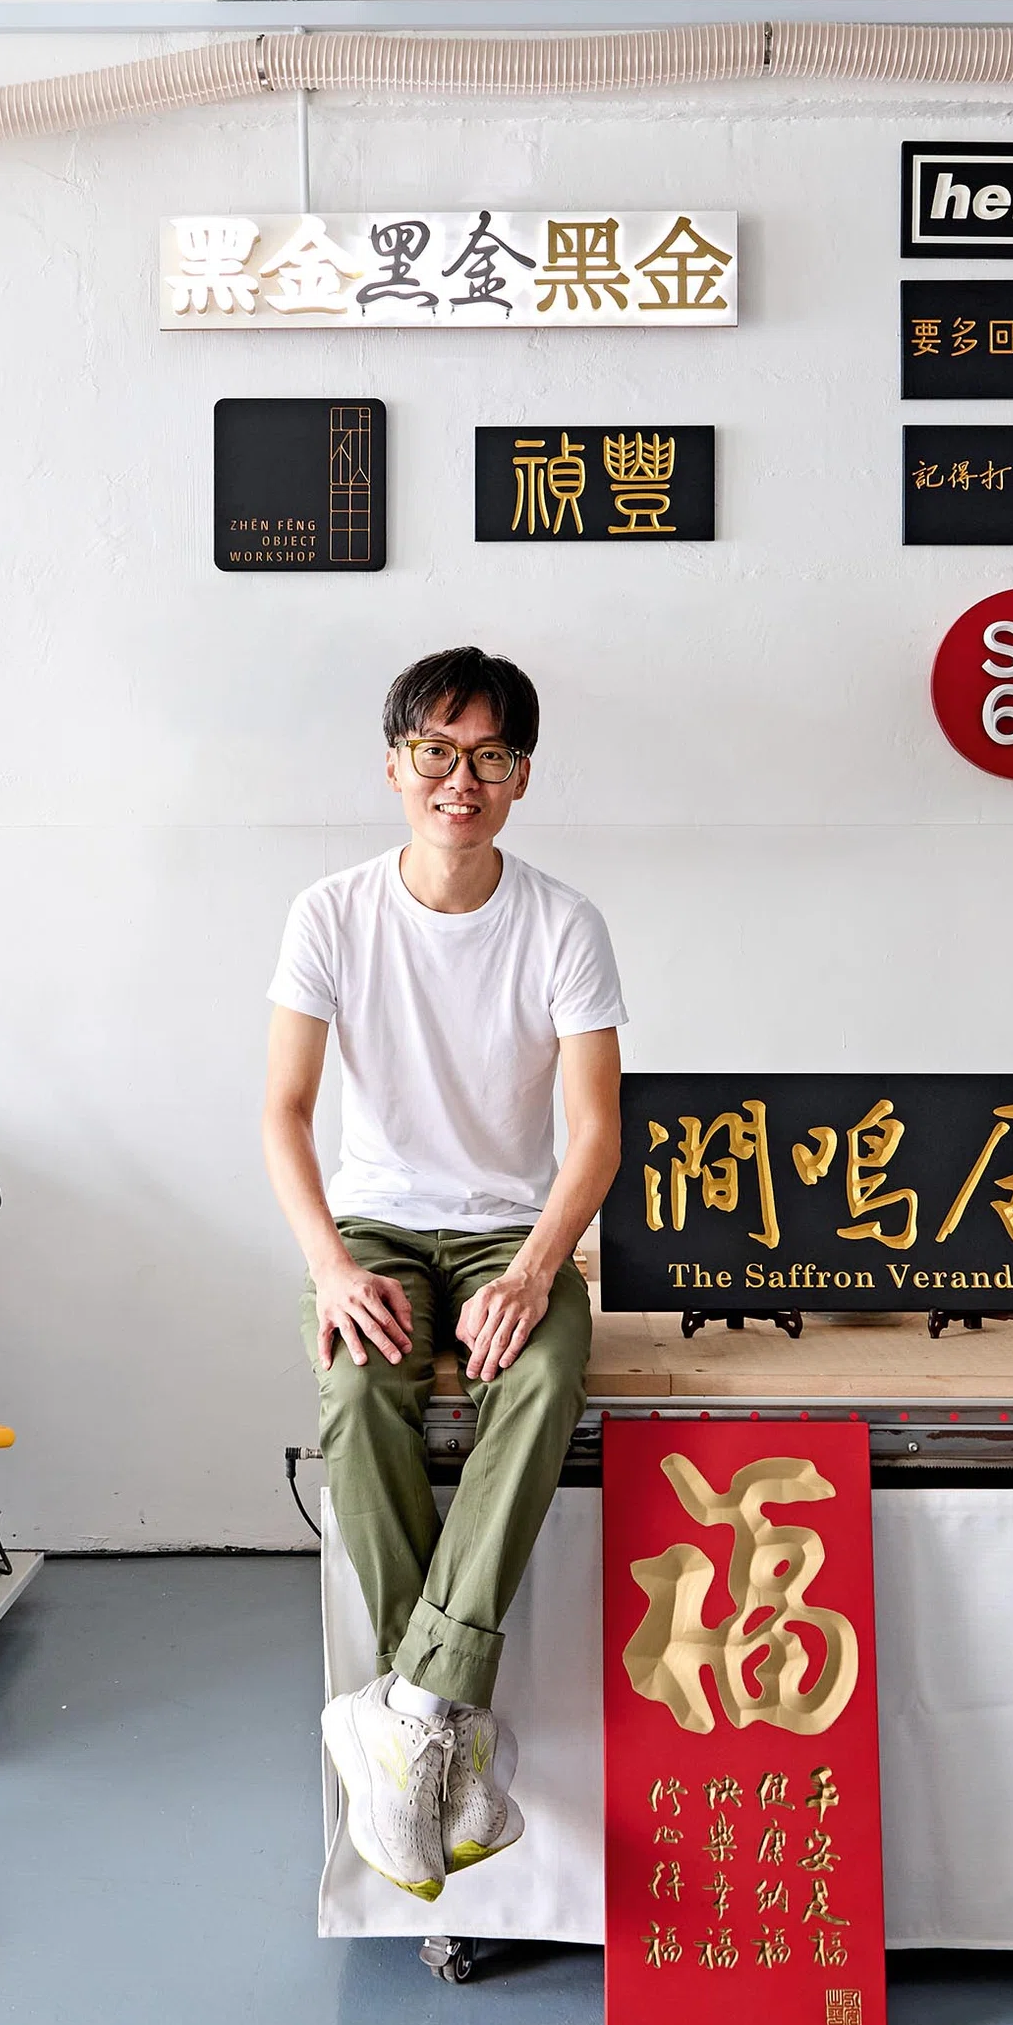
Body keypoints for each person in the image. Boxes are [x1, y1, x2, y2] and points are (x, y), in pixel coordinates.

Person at [263, 647, 624, 1902]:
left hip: (506, 1230)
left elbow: (593, 1136)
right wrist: (329, 1263)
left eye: (488, 757)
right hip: (376, 1223)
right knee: (359, 1385)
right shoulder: (333, 912)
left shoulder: (564, 922)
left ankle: (407, 1702)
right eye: (437, 751)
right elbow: (285, 1112)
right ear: (396, 764)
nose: (459, 779)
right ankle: (450, 1725)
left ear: (522, 777)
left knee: (550, 1362)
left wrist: (535, 1270)